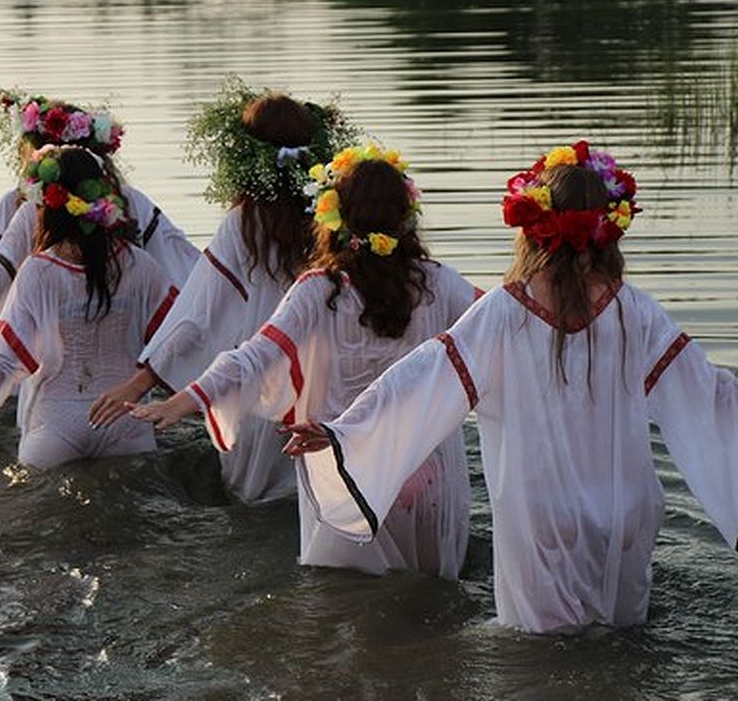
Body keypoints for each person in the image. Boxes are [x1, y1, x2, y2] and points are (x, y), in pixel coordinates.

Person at [283, 140, 738, 633]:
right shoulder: (637, 311)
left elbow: (425, 378)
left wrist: (343, 435)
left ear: (533, 229)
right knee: (622, 653)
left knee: (542, 657)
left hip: (540, 516)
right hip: (626, 513)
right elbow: (712, 396)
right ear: (609, 232)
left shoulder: (505, 312)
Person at [129, 143, 478, 577]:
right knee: (430, 612)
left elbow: (254, 355)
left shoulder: (319, 290)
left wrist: (182, 401)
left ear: (334, 216)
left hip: (343, 474)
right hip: (425, 476)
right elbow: (502, 326)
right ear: (406, 218)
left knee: (341, 607)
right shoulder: (440, 283)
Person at [88, 77, 358, 504]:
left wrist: (142, 383)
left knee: (257, 505)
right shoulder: (336, 218)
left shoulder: (244, 224)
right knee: (328, 498)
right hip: (333, 385)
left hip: (263, 384)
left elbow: (198, 315)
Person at [0, 86, 199, 407]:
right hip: (124, 386)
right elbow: (186, 261)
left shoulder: (26, 207)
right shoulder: (129, 202)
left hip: (50, 383)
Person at [0, 145, 177, 470]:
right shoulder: (141, 264)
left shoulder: (39, 271)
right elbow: (180, 333)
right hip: (127, 421)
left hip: (57, 424)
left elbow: (4, 360)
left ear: (46, 204)